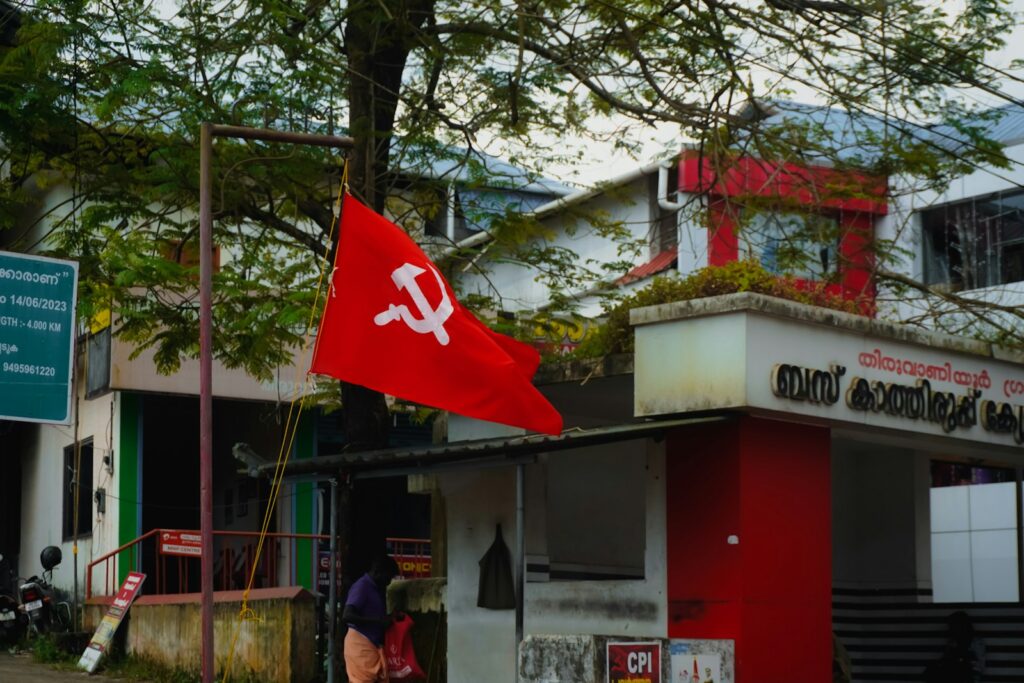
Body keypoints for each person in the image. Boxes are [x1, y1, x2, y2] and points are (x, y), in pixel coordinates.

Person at [343, 556, 400, 683]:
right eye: (388, 577)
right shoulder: (362, 587)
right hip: (360, 644)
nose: (389, 581)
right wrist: (379, 621)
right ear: (377, 572)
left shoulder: (375, 588)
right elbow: (347, 616)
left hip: (371, 645)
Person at [924, 610, 986, 683]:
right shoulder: (953, 641)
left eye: (953, 626)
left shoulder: (976, 642)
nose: (951, 629)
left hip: (967, 676)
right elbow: (946, 658)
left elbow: (979, 667)